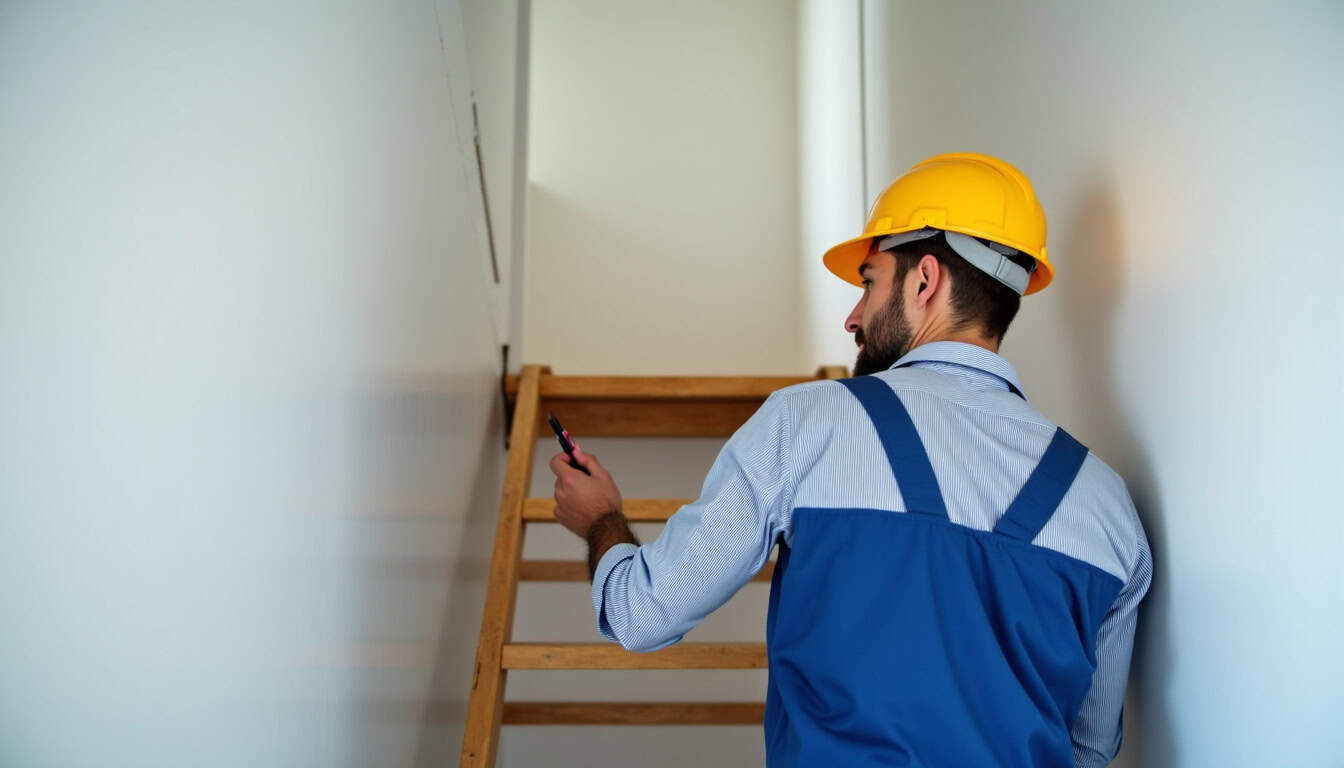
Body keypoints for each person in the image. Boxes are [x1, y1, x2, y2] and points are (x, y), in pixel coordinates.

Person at [548, 152, 1152, 767]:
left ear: (924, 280)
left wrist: (602, 520)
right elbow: (1089, 747)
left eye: (868, 281)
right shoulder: (1107, 508)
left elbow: (642, 612)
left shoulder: (806, 423)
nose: (853, 316)